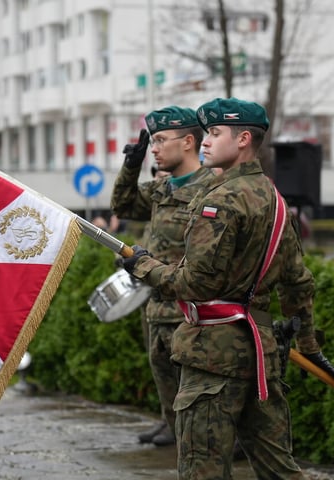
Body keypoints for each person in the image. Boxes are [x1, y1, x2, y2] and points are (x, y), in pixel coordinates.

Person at [121, 98, 334, 479]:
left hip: (212, 353)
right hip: (260, 351)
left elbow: (194, 283)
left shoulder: (220, 200)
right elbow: (297, 283)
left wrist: (143, 265)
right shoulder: (275, 201)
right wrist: (309, 344)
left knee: (202, 470)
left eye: (214, 133)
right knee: (279, 469)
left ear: (243, 139)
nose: (205, 141)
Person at [110, 105, 215, 447]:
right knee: (168, 391)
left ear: (188, 142)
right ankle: (172, 431)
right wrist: (131, 164)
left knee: (198, 409)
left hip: (192, 314)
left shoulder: (213, 188)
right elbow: (123, 205)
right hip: (157, 307)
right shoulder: (163, 189)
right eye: (151, 141)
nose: (153, 148)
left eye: (159, 140)